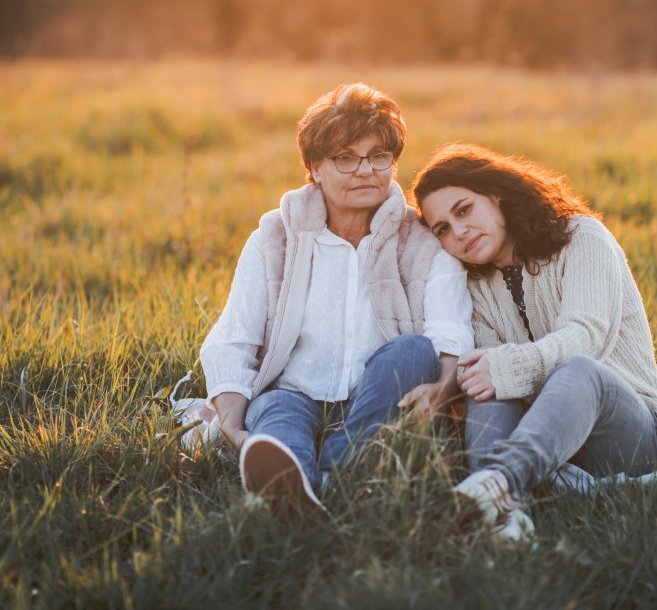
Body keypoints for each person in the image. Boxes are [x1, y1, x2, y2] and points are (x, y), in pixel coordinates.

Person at [200, 84, 472, 514]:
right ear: (315, 168)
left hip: (379, 396)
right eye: (346, 157)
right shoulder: (275, 237)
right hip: (292, 389)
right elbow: (235, 335)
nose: (366, 170)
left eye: (379, 155)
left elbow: (450, 329)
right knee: (277, 414)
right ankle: (290, 475)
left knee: (414, 350)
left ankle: (325, 474)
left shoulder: (421, 241)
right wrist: (232, 425)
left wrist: (444, 389)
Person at [412, 143, 657, 539]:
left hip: (631, 438)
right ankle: (503, 516)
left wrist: (507, 367)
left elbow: (586, 336)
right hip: (548, 441)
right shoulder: (476, 286)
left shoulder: (582, 238)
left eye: (464, 210)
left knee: (575, 369)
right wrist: (447, 386)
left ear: (495, 195)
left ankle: (497, 480)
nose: (459, 232)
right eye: (443, 229)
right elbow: (489, 375)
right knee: (482, 377)